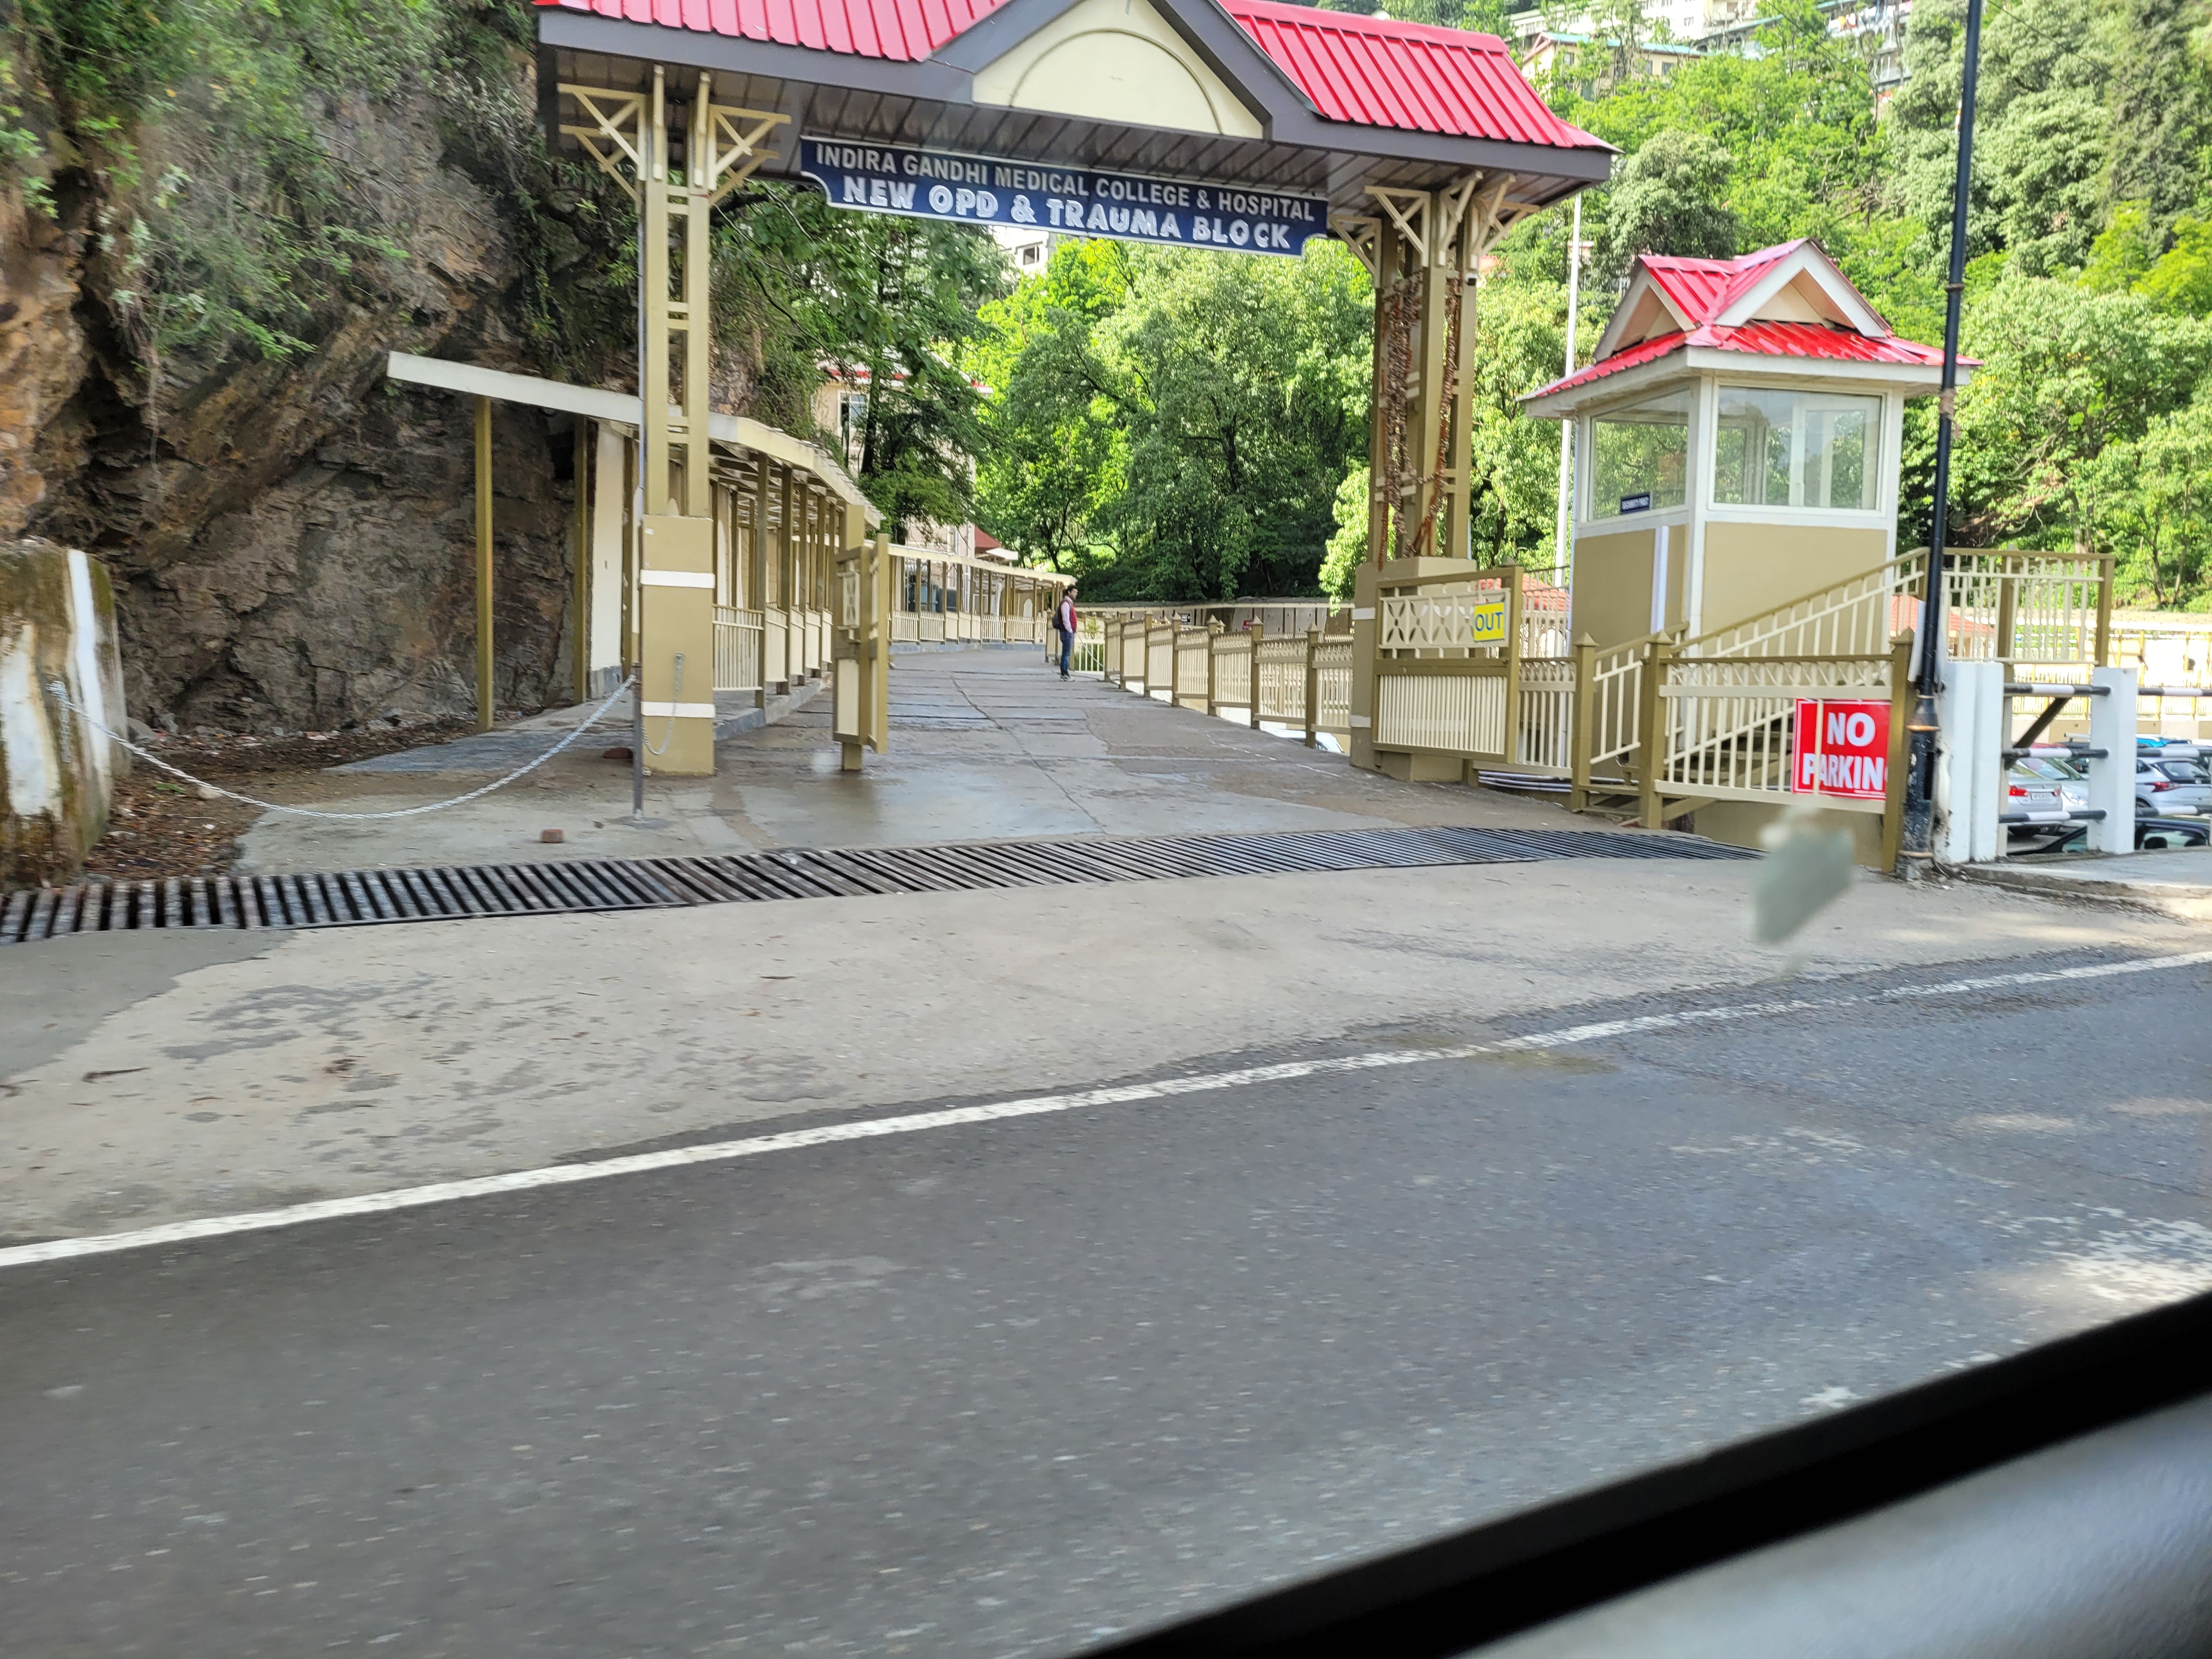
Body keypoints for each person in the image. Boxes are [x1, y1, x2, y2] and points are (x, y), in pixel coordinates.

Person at [1057, 587, 1079, 680]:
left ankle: (1064, 673)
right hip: (1067, 632)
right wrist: (1070, 630)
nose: (1076, 594)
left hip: (1068, 631)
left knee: (1066, 652)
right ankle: (1065, 673)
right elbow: (1066, 619)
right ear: (1069, 592)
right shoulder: (1066, 603)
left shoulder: (1069, 604)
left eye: (1077, 592)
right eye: (1074, 592)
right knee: (1067, 653)